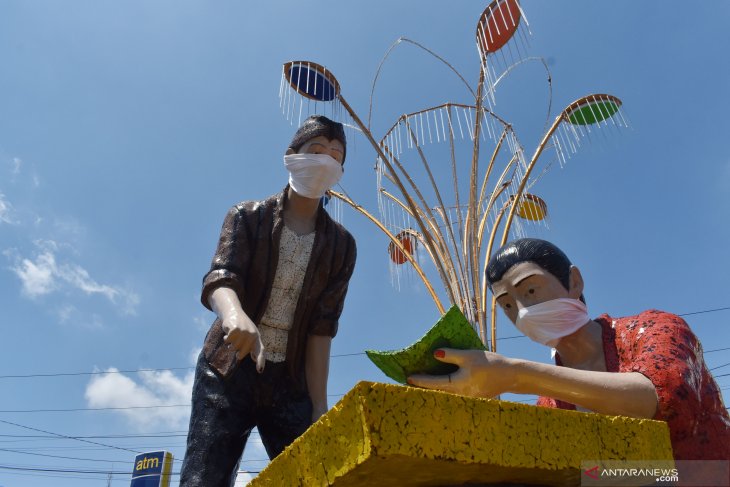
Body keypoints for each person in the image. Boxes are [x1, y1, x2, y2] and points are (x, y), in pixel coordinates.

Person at [408, 238, 730, 463]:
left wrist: (514, 376)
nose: (522, 312)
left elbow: (663, 399)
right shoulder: (550, 404)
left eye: (530, 290)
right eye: (507, 305)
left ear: (574, 282)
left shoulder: (655, 329)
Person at [180, 115, 357, 487]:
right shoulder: (247, 217)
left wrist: (319, 403)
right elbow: (221, 278)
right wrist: (234, 315)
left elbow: (321, 329)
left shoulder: (341, 246)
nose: (325, 161)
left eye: (336, 156)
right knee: (205, 477)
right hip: (227, 368)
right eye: (316, 150)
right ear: (291, 156)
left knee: (313, 477)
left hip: (290, 383)